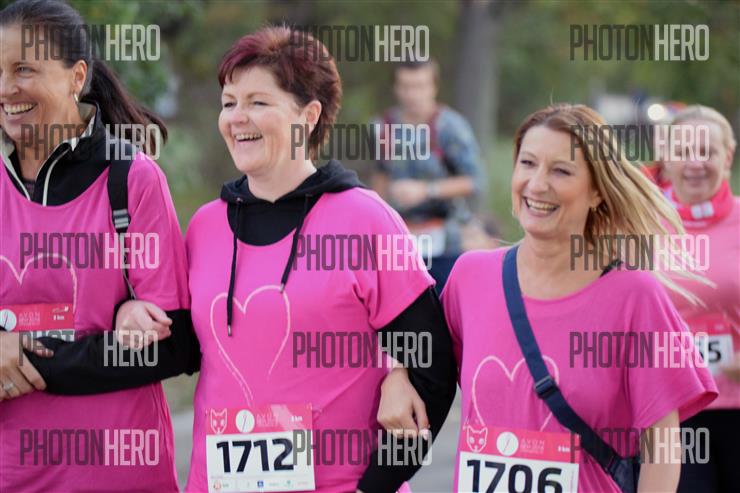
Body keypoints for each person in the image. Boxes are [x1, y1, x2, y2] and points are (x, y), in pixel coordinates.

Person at [13, 25, 458, 493]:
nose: (237, 118)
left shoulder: (365, 220)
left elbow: (432, 368)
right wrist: (129, 309)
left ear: (308, 116)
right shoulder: (205, 227)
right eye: (228, 103)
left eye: (258, 102)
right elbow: (178, 343)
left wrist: (376, 485)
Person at [384, 103, 718, 492]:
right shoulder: (470, 277)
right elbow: (423, 357)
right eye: (528, 163)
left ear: (597, 192)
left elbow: (662, 448)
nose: (538, 184)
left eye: (561, 170)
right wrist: (396, 374)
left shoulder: (635, 295)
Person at [0, 0, 199, 491]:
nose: (5, 88)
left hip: (118, 475)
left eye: (23, 69)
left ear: (76, 76)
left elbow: (175, 347)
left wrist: (26, 357)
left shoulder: (132, 179)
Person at [658, 105, 739, 493]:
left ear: (728, 156)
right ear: (666, 158)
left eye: (706, 151)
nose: (694, 163)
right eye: (683, 151)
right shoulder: (638, 225)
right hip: (671, 412)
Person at [371, 60, 482, 292]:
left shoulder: (450, 127)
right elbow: (380, 175)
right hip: (400, 242)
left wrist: (426, 190)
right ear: (396, 88)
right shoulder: (382, 127)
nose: (412, 94)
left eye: (420, 86)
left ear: (434, 87)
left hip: (446, 242)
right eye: (406, 86)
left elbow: (474, 181)